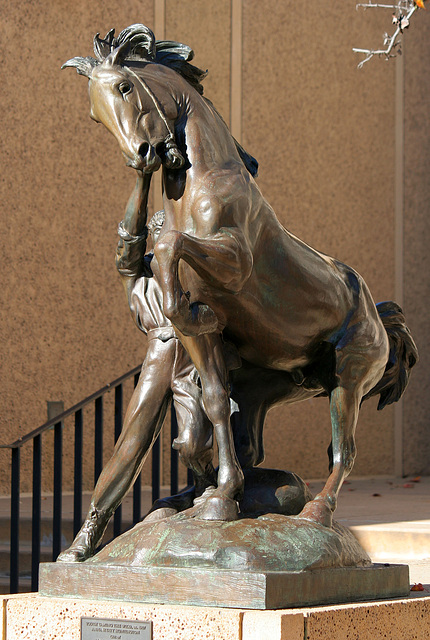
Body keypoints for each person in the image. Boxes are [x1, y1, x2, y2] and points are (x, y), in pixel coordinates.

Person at [58, 172, 216, 562]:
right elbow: (128, 237)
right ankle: (91, 530)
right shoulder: (137, 275)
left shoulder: (191, 275)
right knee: (130, 445)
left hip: (193, 358)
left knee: (195, 441)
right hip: (160, 357)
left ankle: (204, 486)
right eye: (163, 232)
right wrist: (144, 180)